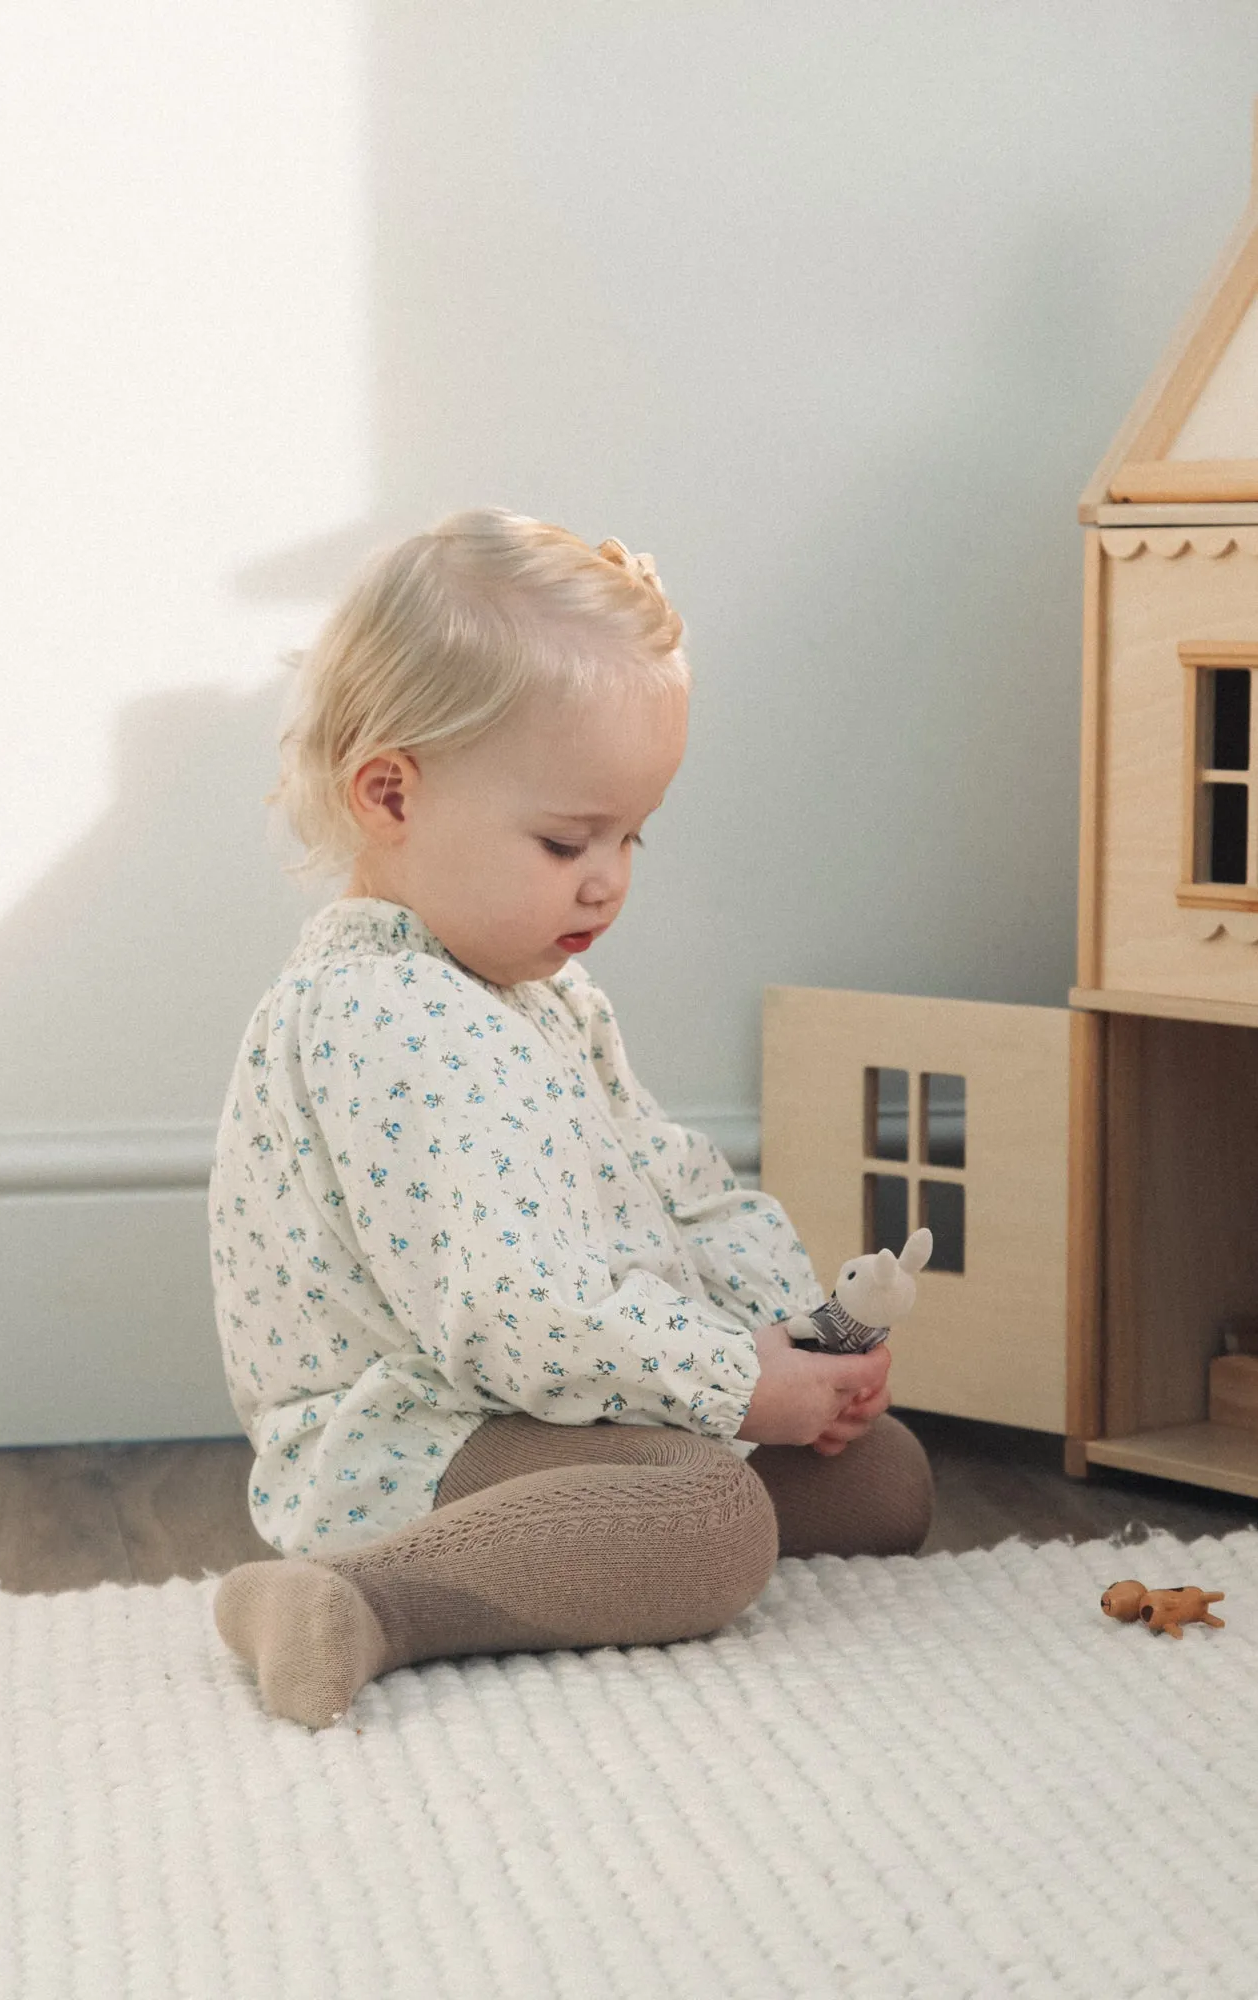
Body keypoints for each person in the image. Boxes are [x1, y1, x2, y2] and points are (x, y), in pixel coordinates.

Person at [209, 507, 934, 1728]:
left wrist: (790, 1336)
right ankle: (351, 1595)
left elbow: (678, 1182)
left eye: (630, 832)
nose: (609, 877)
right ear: (391, 792)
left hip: (559, 1390)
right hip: (419, 1433)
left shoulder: (539, 997)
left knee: (880, 1480)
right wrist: (724, 1378)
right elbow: (512, 1313)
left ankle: (583, 1523)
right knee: (712, 1522)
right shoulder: (387, 1014)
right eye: (565, 838)